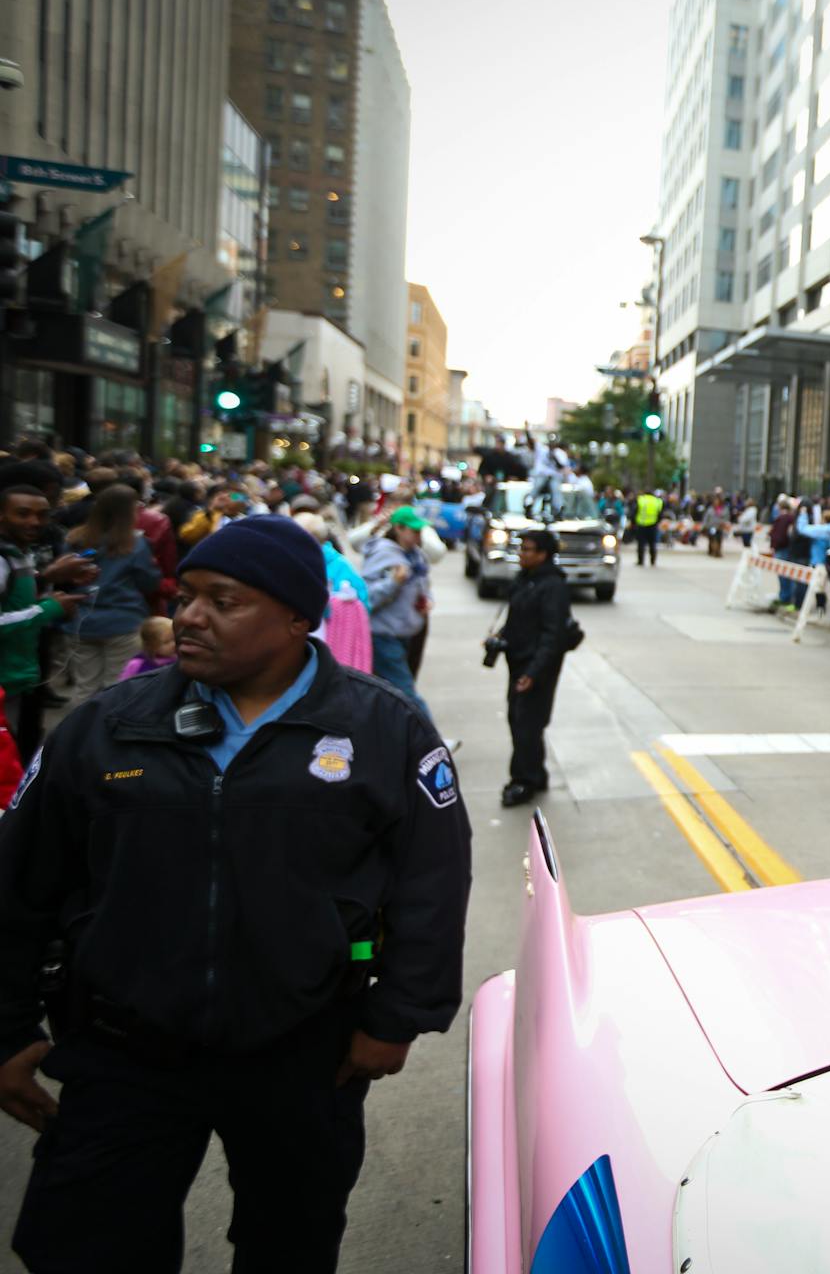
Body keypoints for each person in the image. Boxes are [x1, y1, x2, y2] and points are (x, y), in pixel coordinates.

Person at [0, 515, 473, 1273]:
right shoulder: (106, 727)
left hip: (305, 1052)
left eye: (223, 601)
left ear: (296, 618)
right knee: (85, 1247)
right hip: (123, 1052)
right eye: (186, 596)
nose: (189, 617)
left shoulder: (384, 729)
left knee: (290, 1244)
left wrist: (398, 1019)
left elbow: (434, 883)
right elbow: (19, 883)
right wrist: (8, 1026)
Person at [48, 484, 164, 725]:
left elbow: (63, 575)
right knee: (119, 685)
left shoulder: (75, 539)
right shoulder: (135, 543)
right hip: (124, 620)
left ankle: (78, 735)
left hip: (81, 620)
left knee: (84, 687)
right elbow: (149, 581)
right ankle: (110, 741)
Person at [0, 487, 87, 756]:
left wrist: (51, 594)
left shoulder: (18, 553)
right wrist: (49, 608)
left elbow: (17, 605)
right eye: (23, 514)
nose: (34, 522)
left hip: (17, 680)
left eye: (41, 515)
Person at [498, 529, 573, 809]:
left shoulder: (553, 587)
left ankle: (522, 780)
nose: (522, 554)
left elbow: (553, 635)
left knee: (526, 724)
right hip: (518, 662)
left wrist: (534, 672)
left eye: (528, 549)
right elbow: (517, 618)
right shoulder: (525, 580)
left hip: (536, 668)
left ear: (543, 554)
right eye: (521, 548)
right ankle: (536, 773)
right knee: (519, 720)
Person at [362, 507, 432, 718]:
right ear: (399, 529)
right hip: (384, 634)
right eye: (413, 531)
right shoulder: (383, 553)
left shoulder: (416, 555)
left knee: (389, 693)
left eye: (420, 531)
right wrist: (393, 583)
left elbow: (424, 585)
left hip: (406, 633)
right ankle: (433, 743)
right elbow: (366, 597)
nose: (418, 535)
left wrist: (426, 601)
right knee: (406, 692)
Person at [118, 615, 178, 680]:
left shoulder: (179, 661)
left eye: (175, 639)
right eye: (166, 642)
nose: (174, 644)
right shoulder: (137, 664)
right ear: (150, 645)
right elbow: (124, 684)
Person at [632, 488, 664, 566]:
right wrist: (657, 522)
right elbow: (660, 514)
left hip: (641, 525)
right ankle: (653, 561)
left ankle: (640, 561)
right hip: (653, 525)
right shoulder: (657, 501)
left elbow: (634, 511)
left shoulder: (640, 500)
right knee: (652, 544)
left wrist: (633, 522)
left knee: (641, 544)